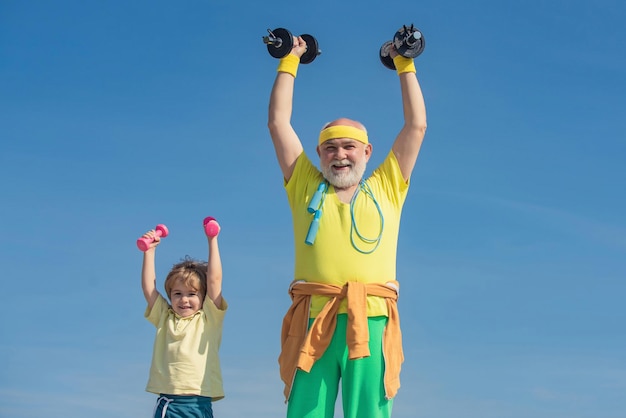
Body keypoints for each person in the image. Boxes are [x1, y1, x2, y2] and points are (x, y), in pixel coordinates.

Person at [267, 34, 427, 418]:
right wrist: (289, 60)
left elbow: (416, 126)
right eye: (330, 147)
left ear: (367, 152)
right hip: (313, 320)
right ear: (319, 153)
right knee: (306, 412)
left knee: (369, 412)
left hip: (370, 318)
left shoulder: (387, 187)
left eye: (349, 146)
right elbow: (278, 123)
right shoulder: (304, 185)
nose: (339, 154)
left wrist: (405, 63)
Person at [139, 218, 227, 418]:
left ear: (203, 297)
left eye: (191, 294)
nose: (184, 300)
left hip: (201, 403)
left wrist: (212, 239)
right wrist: (149, 252)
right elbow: (148, 289)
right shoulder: (165, 317)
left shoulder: (209, 318)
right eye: (177, 294)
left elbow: (214, 280)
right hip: (172, 404)